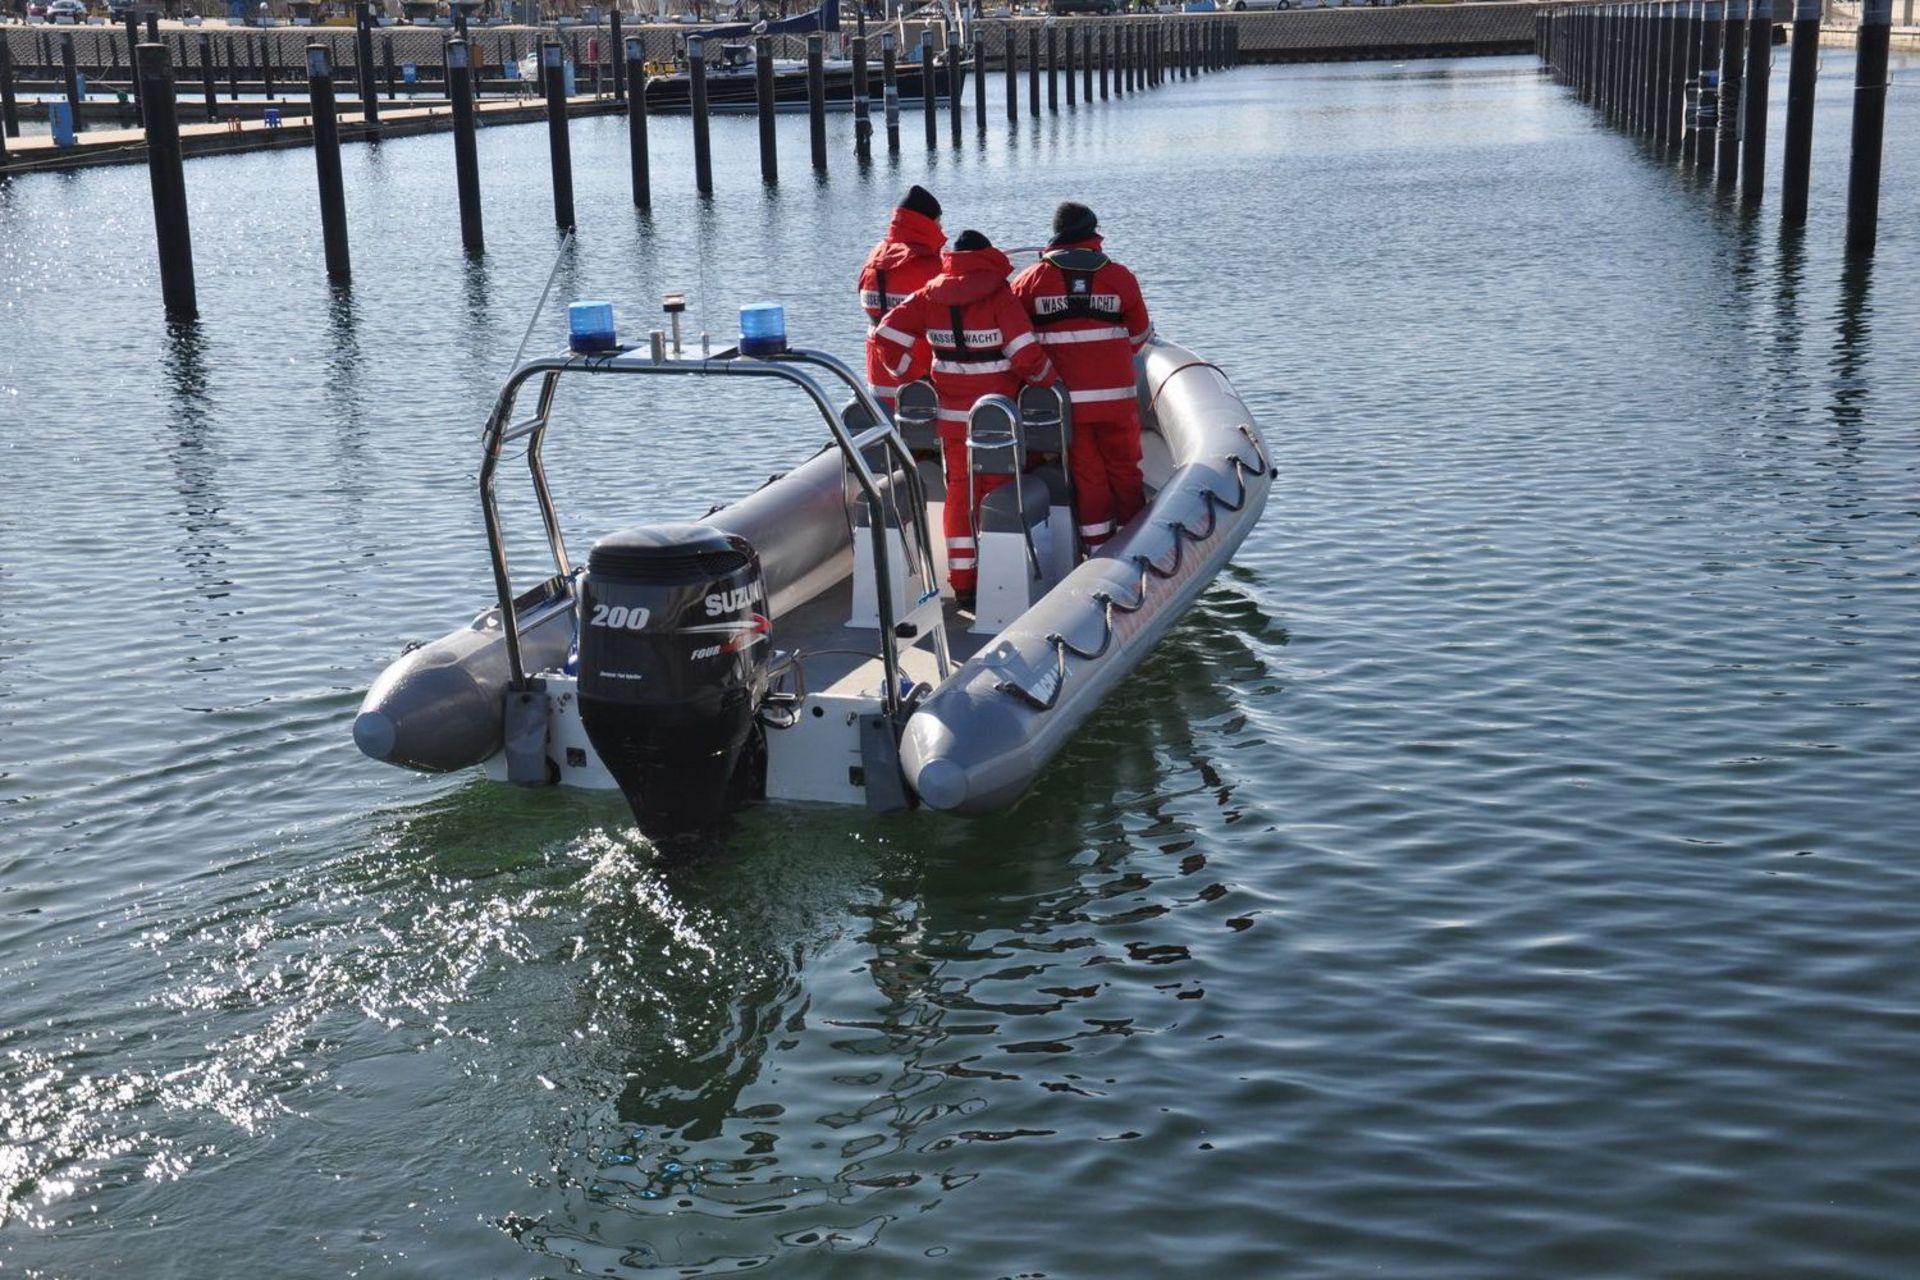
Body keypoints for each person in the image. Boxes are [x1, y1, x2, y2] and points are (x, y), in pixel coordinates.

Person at [870, 229, 1056, 606]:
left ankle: (964, 582)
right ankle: (1002, 583)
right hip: (996, 417)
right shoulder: (1000, 296)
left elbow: (885, 333)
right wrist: (1047, 380)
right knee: (1001, 489)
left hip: (952, 419)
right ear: (986, 256)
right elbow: (1025, 355)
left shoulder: (929, 295)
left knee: (960, 492)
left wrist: (909, 372)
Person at [1010, 201, 1154, 554]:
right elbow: (1140, 337)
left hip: (1068, 404)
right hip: (1116, 399)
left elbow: (1016, 339)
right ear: (1092, 232)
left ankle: (1098, 551)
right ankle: (1137, 548)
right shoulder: (1120, 276)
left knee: (1088, 476)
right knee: (1126, 471)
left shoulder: (1031, 280)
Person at [856, 186, 946, 417]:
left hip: (878, 381)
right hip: (921, 382)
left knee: (887, 446)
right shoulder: (931, 266)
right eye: (939, 223)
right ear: (928, 223)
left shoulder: (873, 258)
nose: (942, 229)